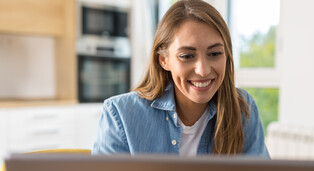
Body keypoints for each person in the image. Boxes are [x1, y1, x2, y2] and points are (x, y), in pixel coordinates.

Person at [92, 0, 269, 157]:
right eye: (187, 56)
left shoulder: (242, 109)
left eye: (215, 53)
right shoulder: (120, 114)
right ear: (164, 60)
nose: (203, 70)